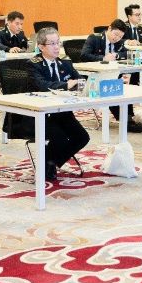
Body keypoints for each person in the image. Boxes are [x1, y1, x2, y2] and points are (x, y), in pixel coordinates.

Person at [27, 27, 91, 181]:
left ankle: (51, 161)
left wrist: (82, 84)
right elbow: (42, 85)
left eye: (58, 43)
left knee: (82, 137)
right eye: (52, 44)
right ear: (41, 47)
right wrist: (66, 85)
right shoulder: (33, 64)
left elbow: (80, 80)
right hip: (37, 114)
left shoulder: (65, 63)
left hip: (61, 112)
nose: (57, 47)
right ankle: (47, 164)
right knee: (60, 137)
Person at [81, 19, 142, 133]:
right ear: (109, 29)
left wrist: (117, 55)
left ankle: (129, 118)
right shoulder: (94, 38)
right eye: (115, 34)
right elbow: (84, 56)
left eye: (120, 36)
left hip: (111, 74)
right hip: (94, 76)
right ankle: (127, 121)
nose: (117, 38)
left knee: (122, 88)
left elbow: (126, 53)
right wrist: (103, 58)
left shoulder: (119, 41)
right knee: (112, 88)